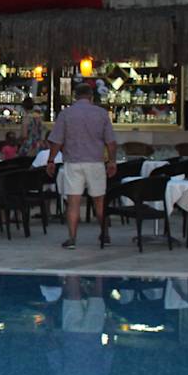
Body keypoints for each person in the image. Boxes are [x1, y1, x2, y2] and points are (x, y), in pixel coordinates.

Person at [46, 81, 117, 250]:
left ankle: (72, 238)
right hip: (95, 162)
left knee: (73, 202)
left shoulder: (66, 114)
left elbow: (57, 141)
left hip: (73, 162)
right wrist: (112, 161)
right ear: (91, 96)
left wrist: (51, 160)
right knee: (99, 201)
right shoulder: (101, 114)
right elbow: (111, 142)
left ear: (75, 97)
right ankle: (105, 233)